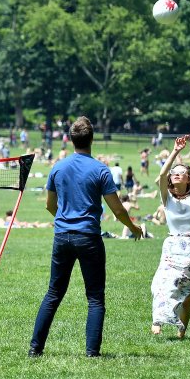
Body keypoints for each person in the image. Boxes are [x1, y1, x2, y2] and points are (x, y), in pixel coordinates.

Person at [29, 116, 144, 358]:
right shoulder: (100, 170)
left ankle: (35, 348)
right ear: (92, 139)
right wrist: (133, 228)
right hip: (88, 238)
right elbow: (118, 209)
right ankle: (92, 352)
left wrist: (63, 218)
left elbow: (51, 205)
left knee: (53, 294)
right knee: (94, 298)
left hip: (62, 236)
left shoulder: (58, 167)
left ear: (71, 140)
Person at [150, 134, 190, 339]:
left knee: (188, 295)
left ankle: (181, 329)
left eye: (182, 172)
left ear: (187, 179)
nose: (177, 174)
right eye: (175, 172)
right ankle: (158, 318)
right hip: (172, 245)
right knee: (162, 283)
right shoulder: (166, 197)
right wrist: (175, 151)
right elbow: (162, 172)